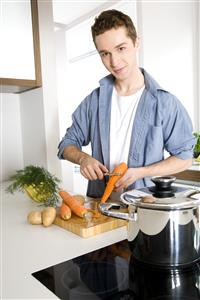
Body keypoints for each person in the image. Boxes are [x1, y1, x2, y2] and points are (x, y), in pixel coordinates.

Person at [58, 9, 195, 199]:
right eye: (105, 53)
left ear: (136, 42)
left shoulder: (165, 103)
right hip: (100, 208)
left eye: (121, 48)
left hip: (145, 208)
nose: (114, 61)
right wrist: (83, 158)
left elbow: (184, 158)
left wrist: (141, 172)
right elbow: (67, 144)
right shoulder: (93, 101)